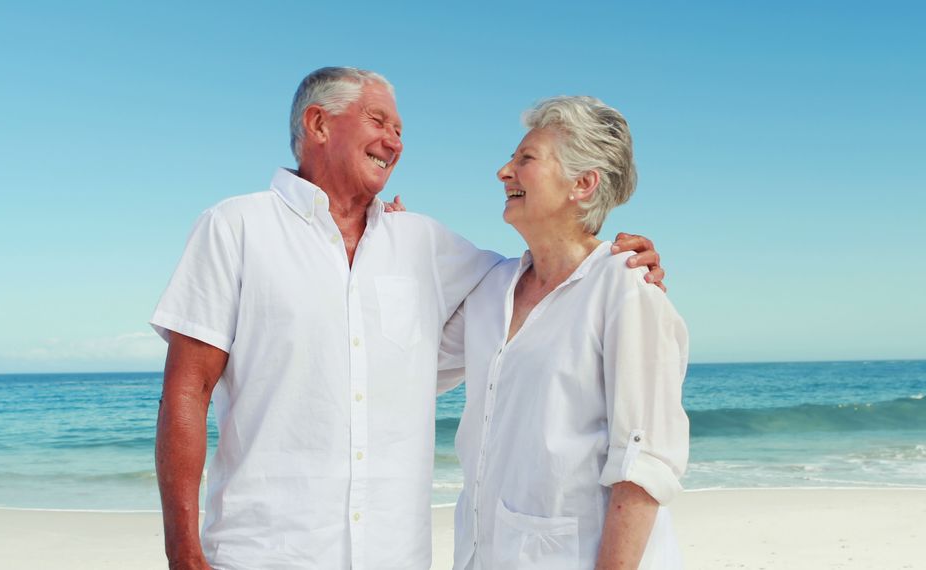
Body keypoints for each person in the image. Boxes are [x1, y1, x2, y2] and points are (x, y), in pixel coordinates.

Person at [150, 68, 666, 570]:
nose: (394, 142)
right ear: (319, 124)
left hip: (397, 557)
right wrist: (184, 555)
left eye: (400, 131)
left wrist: (615, 261)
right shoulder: (235, 227)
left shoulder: (422, 241)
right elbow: (185, 391)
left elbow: (554, 279)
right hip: (264, 553)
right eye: (379, 122)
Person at [440, 96, 689, 570]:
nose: (503, 171)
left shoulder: (627, 287)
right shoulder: (491, 289)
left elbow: (644, 466)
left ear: (583, 183)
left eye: (525, 159)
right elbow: (411, 363)